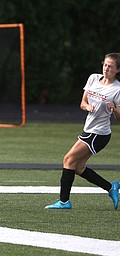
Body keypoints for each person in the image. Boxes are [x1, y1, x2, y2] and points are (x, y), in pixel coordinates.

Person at [45, 53, 120, 210]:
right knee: (78, 167)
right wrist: (87, 107)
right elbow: (83, 102)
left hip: (99, 134)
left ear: (117, 70)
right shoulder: (93, 78)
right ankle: (110, 187)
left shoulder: (117, 89)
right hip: (89, 130)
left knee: (68, 160)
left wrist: (114, 109)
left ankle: (64, 202)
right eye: (105, 64)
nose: (106, 68)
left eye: (111, 66)